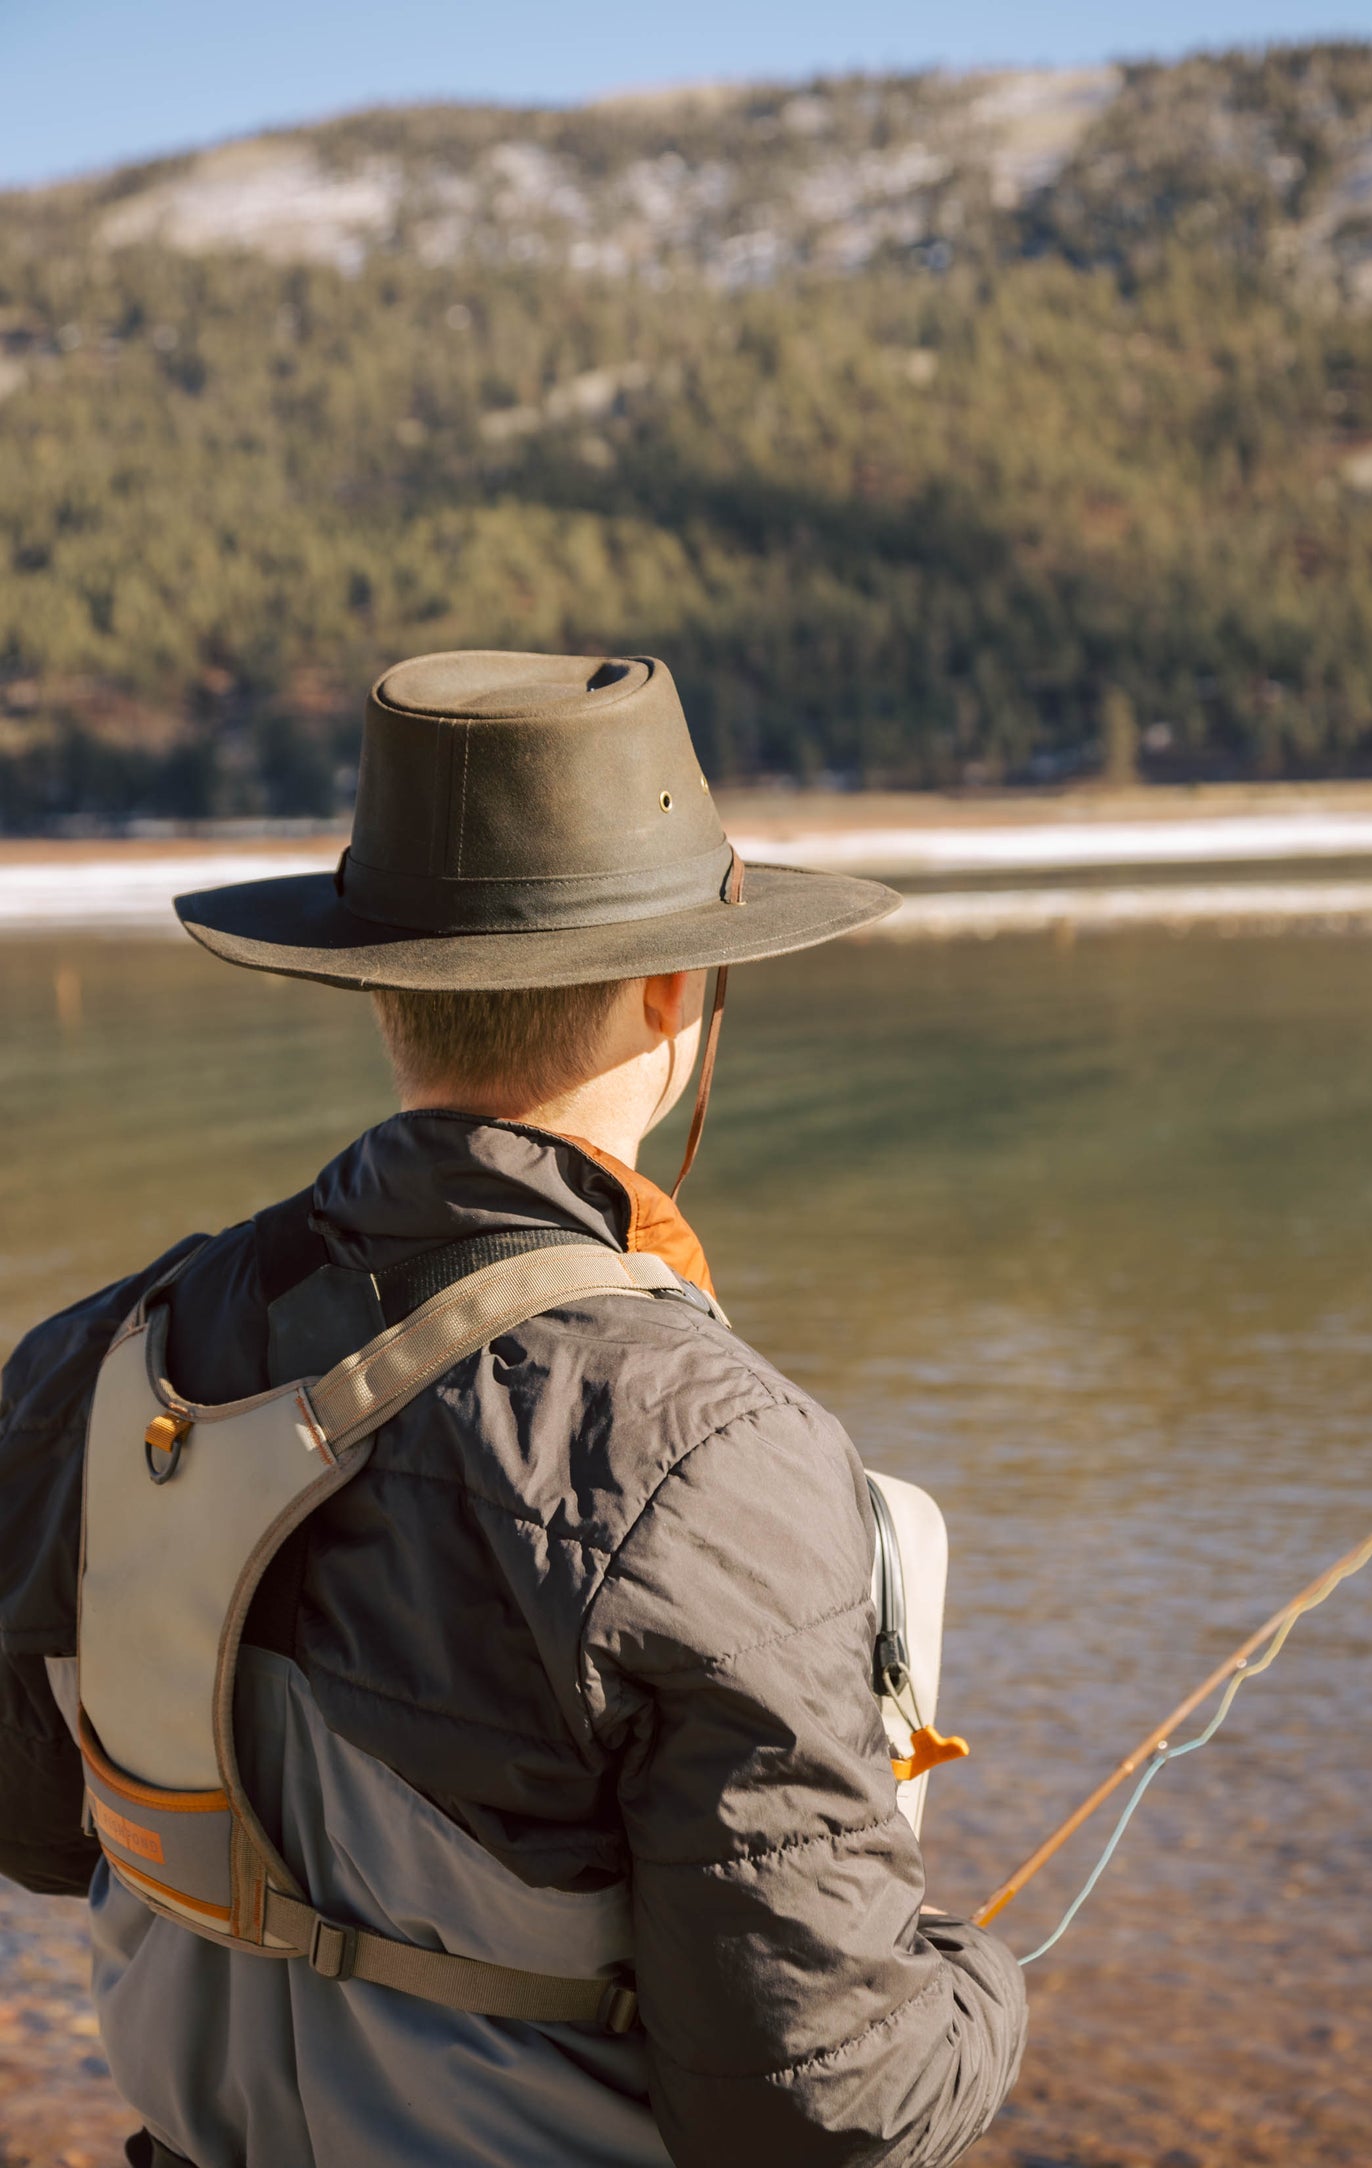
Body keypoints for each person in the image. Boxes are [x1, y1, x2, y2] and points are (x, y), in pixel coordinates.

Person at [0, 651, 1026, 2168]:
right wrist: (980, 1990)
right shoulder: (717, 1457)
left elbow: (35, 1829)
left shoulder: (97, 1356)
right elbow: (820, 2108)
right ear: (678, 995)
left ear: (381, 986)